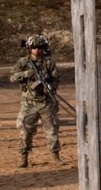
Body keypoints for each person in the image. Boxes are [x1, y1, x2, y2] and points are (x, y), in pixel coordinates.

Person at [9, 35, 63, 168]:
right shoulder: (23, 62)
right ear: (29, 48)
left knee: (52, 130)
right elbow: (12, 77)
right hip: (29, 102)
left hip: (46, 101)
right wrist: (27, 74)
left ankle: (56, 156)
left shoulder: (49, 62)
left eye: (39, 47)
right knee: (26, 131)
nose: (36, 50)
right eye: (34, 47)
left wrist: (50, 86)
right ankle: (24, 157)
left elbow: (56, 79)